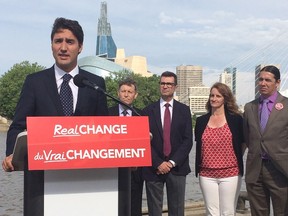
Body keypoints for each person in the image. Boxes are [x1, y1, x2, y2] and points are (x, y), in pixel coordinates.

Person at [1, 17, 108, 216]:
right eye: (58, 41)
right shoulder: (34, 82)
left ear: (80, 47)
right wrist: (10, 154)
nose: (63, 47)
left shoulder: (95, 83)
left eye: (70, 41)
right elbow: (17, 127)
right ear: (51, 45)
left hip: (84, 182)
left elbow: (103, 130)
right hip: (41, 183)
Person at [142, 71, 193, 216]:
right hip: (154, 168)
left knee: (177, 211)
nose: (165, 86)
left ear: (175, 87)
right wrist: (158, 163)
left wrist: (171, 162)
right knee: (154, 211)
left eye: (169, 84)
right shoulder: (147, 111)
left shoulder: (184, 111)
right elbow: (145, 141)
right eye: (163, 83)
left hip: (177, 168)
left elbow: (187, 140)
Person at [243, 65, 288, 216]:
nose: (263, 83)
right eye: (260, 79)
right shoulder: (250, 107)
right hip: (255, 169)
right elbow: (247, 138)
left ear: (277, 82)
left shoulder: (287, 106)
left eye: (267, 80)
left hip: (281, 170)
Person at [194, 82, 244, 216]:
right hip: (206, 174)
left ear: (225, 99)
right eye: (212, 95)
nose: (214, 99)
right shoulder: (201, 121)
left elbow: (243, 143)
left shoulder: (236, 120)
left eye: (218, 96)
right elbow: (199, 145)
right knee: (211, 212)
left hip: (230, 173)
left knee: (228, 211)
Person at [108, 78, 144, 216]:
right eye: (123, 91)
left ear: (135, 95)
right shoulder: (107, 114)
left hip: (134, 173)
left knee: (134, 208)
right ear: (118, 93)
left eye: (130, 92)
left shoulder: (141, 115)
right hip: (111, 171)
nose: (126, 94)